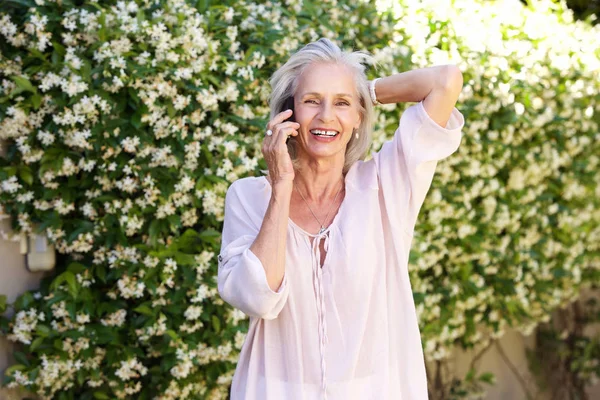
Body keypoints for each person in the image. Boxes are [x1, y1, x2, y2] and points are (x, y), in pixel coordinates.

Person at [217, 38, 465, 400]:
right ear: (289, 113)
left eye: (342, 104)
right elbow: (258, 298)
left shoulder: (387, 184)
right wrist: (281, 184)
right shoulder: (248, 197)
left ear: (359, 117)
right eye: (312, 101)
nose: (326, 117)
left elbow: (445, 80)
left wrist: (363, 91)